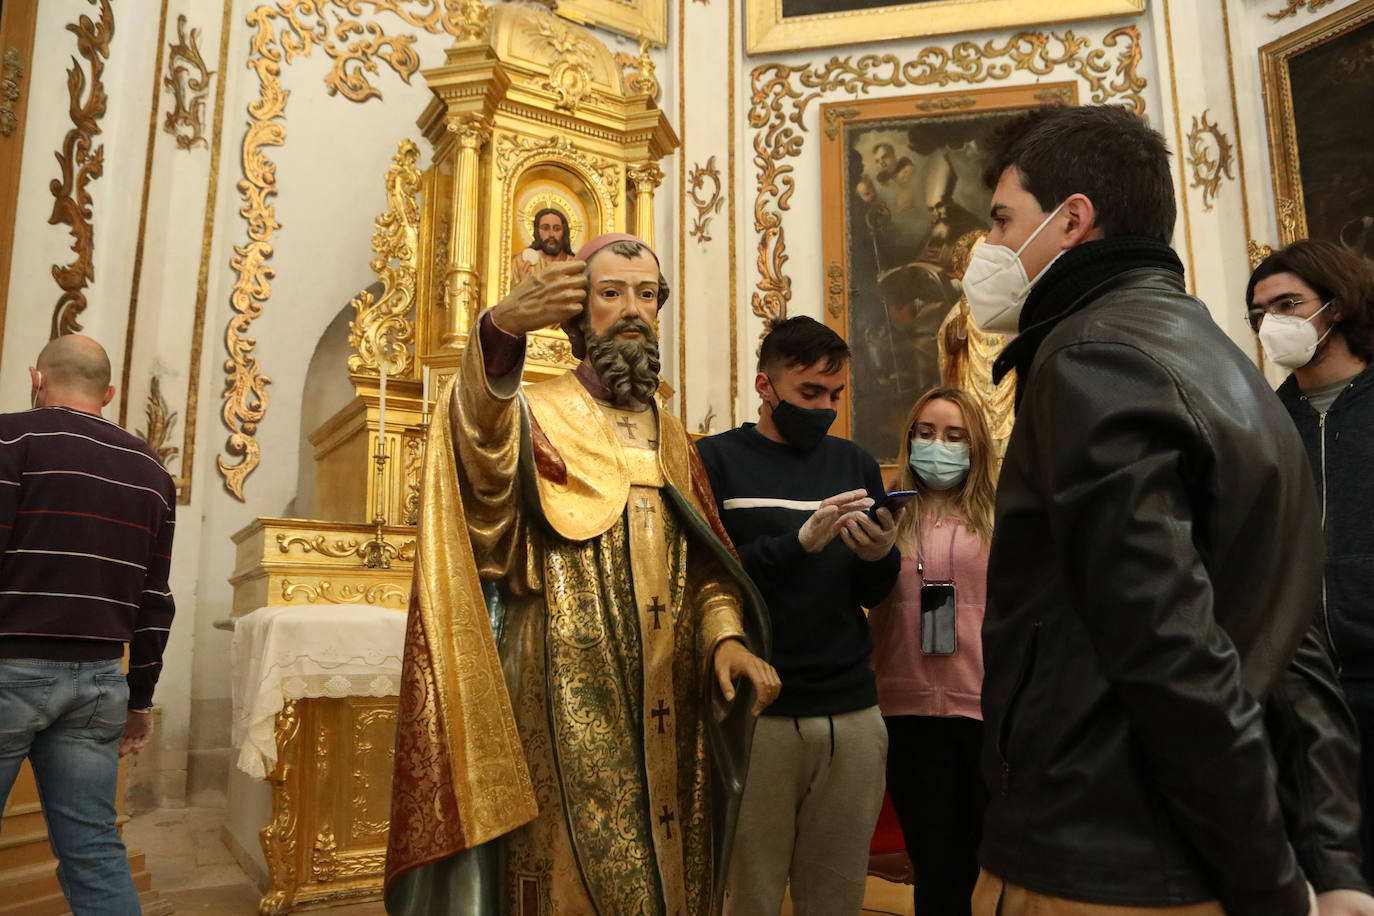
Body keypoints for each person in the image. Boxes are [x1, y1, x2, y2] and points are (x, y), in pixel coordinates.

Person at [967, 103, 1369, 915]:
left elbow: (1170, 654)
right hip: (1181, 851)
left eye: (1003, 221)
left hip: (1099, 859)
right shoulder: (1222, 364)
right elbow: (1294, 638)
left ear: (1071, 220)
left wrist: (1273, 885)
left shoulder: (1093, 355)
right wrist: (1331, 861)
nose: (988, 251)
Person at [384, 233, 779, 916]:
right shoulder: (535, 412)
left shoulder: (675, 436)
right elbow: (475, 447)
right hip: (560, 696)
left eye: (647, 295)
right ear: (576, 313)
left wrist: (727, 639)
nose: (633, 309)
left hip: (673, 700)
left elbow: (707, 572)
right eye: (611, 293)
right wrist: (502, 329)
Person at [697, 315, 900, 915]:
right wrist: (798, 543)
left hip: (851, 709)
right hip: (757, 712)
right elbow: (704, 580)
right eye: (809, 393)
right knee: (748, 896)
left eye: (835, 395)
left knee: (836, 896)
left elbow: (872, 589)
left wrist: (879, 558)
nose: (824, 407)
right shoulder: (715, 461)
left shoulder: (855, 463)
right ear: (765, 386)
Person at [0, 335, 176, 916]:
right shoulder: (153, 471)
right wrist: (140, 699)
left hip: (10, 670)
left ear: (37, 376)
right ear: (110, 392)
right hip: (102, 680)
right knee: (95, 850)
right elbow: (155, 599)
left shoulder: (11, 439)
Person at [1249, 239, 1374, 891]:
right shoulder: (1259, 421)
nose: (1274, 323)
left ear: (1337, 303)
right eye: (1260, 312)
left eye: (1288, 303)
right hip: (1301, 695)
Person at [868, 386, 995, 916]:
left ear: (975, 447)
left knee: (990, 866)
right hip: (906, 712)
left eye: (952, 435)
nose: (936, 444)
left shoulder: (1002, 517)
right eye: (924, 433)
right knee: (935, 864)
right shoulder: (886, 516)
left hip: (987, 712)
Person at [510, 207, 574, 284]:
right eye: (545, 228)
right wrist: (523, 286)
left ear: (564, 232)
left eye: (556, 229)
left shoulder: (575, 265)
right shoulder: (519, 262)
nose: (551, 234)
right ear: (537, 231)